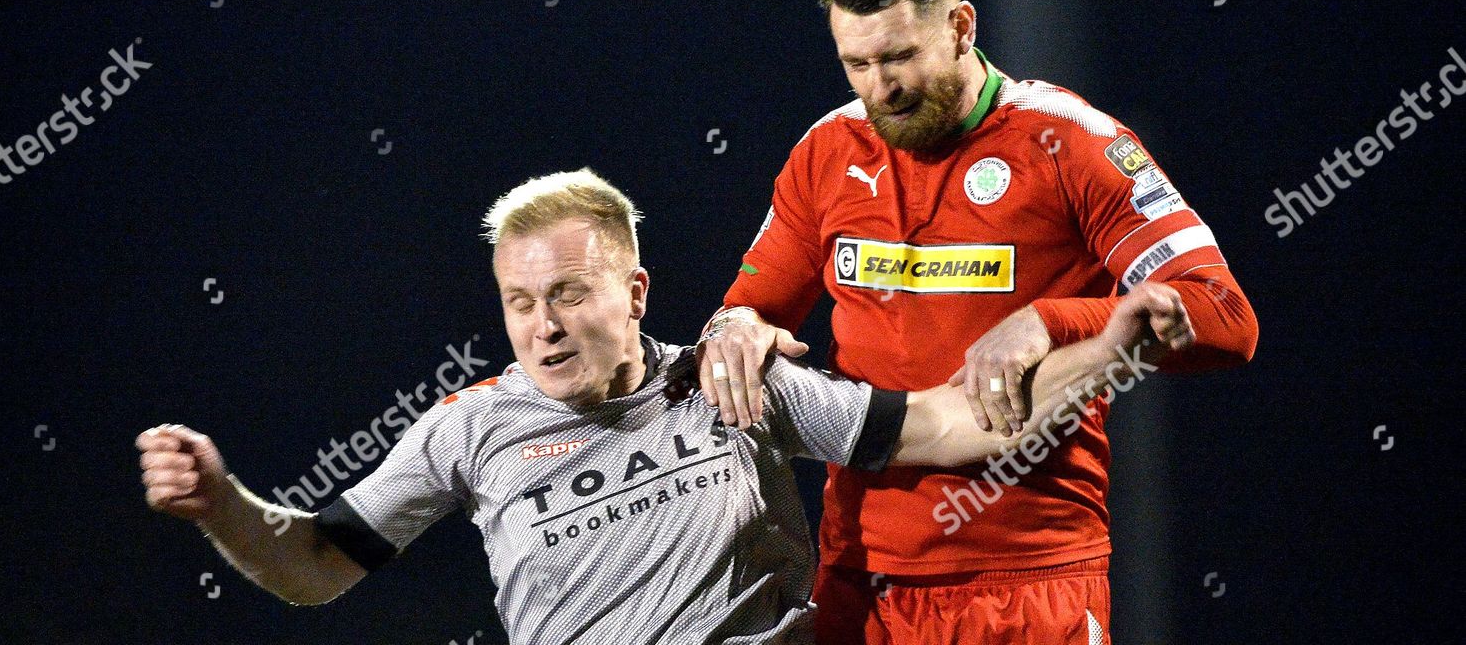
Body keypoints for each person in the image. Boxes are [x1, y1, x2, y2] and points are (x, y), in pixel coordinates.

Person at [137, 169, 1192, 645]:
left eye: (568, 295)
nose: (541, 326)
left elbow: (949, 427)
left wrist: (1102, 341)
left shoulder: (735, 378)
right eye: (518, 304)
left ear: (633, 294)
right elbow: (312, 567)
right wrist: (226, 504)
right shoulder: (466, 429)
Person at [697, 0, 1260, 644]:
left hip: (1029, 581)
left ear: (962, 26)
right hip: (861, 583)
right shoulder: (826, 152)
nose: (882, 89)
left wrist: (1054, 321)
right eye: (856, 64)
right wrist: (732, 327)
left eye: (900, 57)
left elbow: (1225, 316)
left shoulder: (1072, 143)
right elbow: (746, 310)